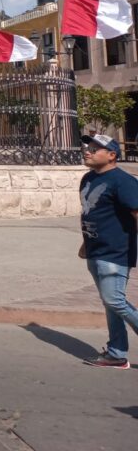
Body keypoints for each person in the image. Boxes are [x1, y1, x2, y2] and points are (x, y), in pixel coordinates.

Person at [77, 133, 138, 368]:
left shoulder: (123, 182)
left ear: (112, 155)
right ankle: (116, 353)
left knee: (115, 300)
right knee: (110, 303)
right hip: (95, 250)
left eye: (95, 148)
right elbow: (88, 213)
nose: (88, 151)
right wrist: (84, 244)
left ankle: (117, 352)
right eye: (88, 147)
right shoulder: (87, 179)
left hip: (116, 251)